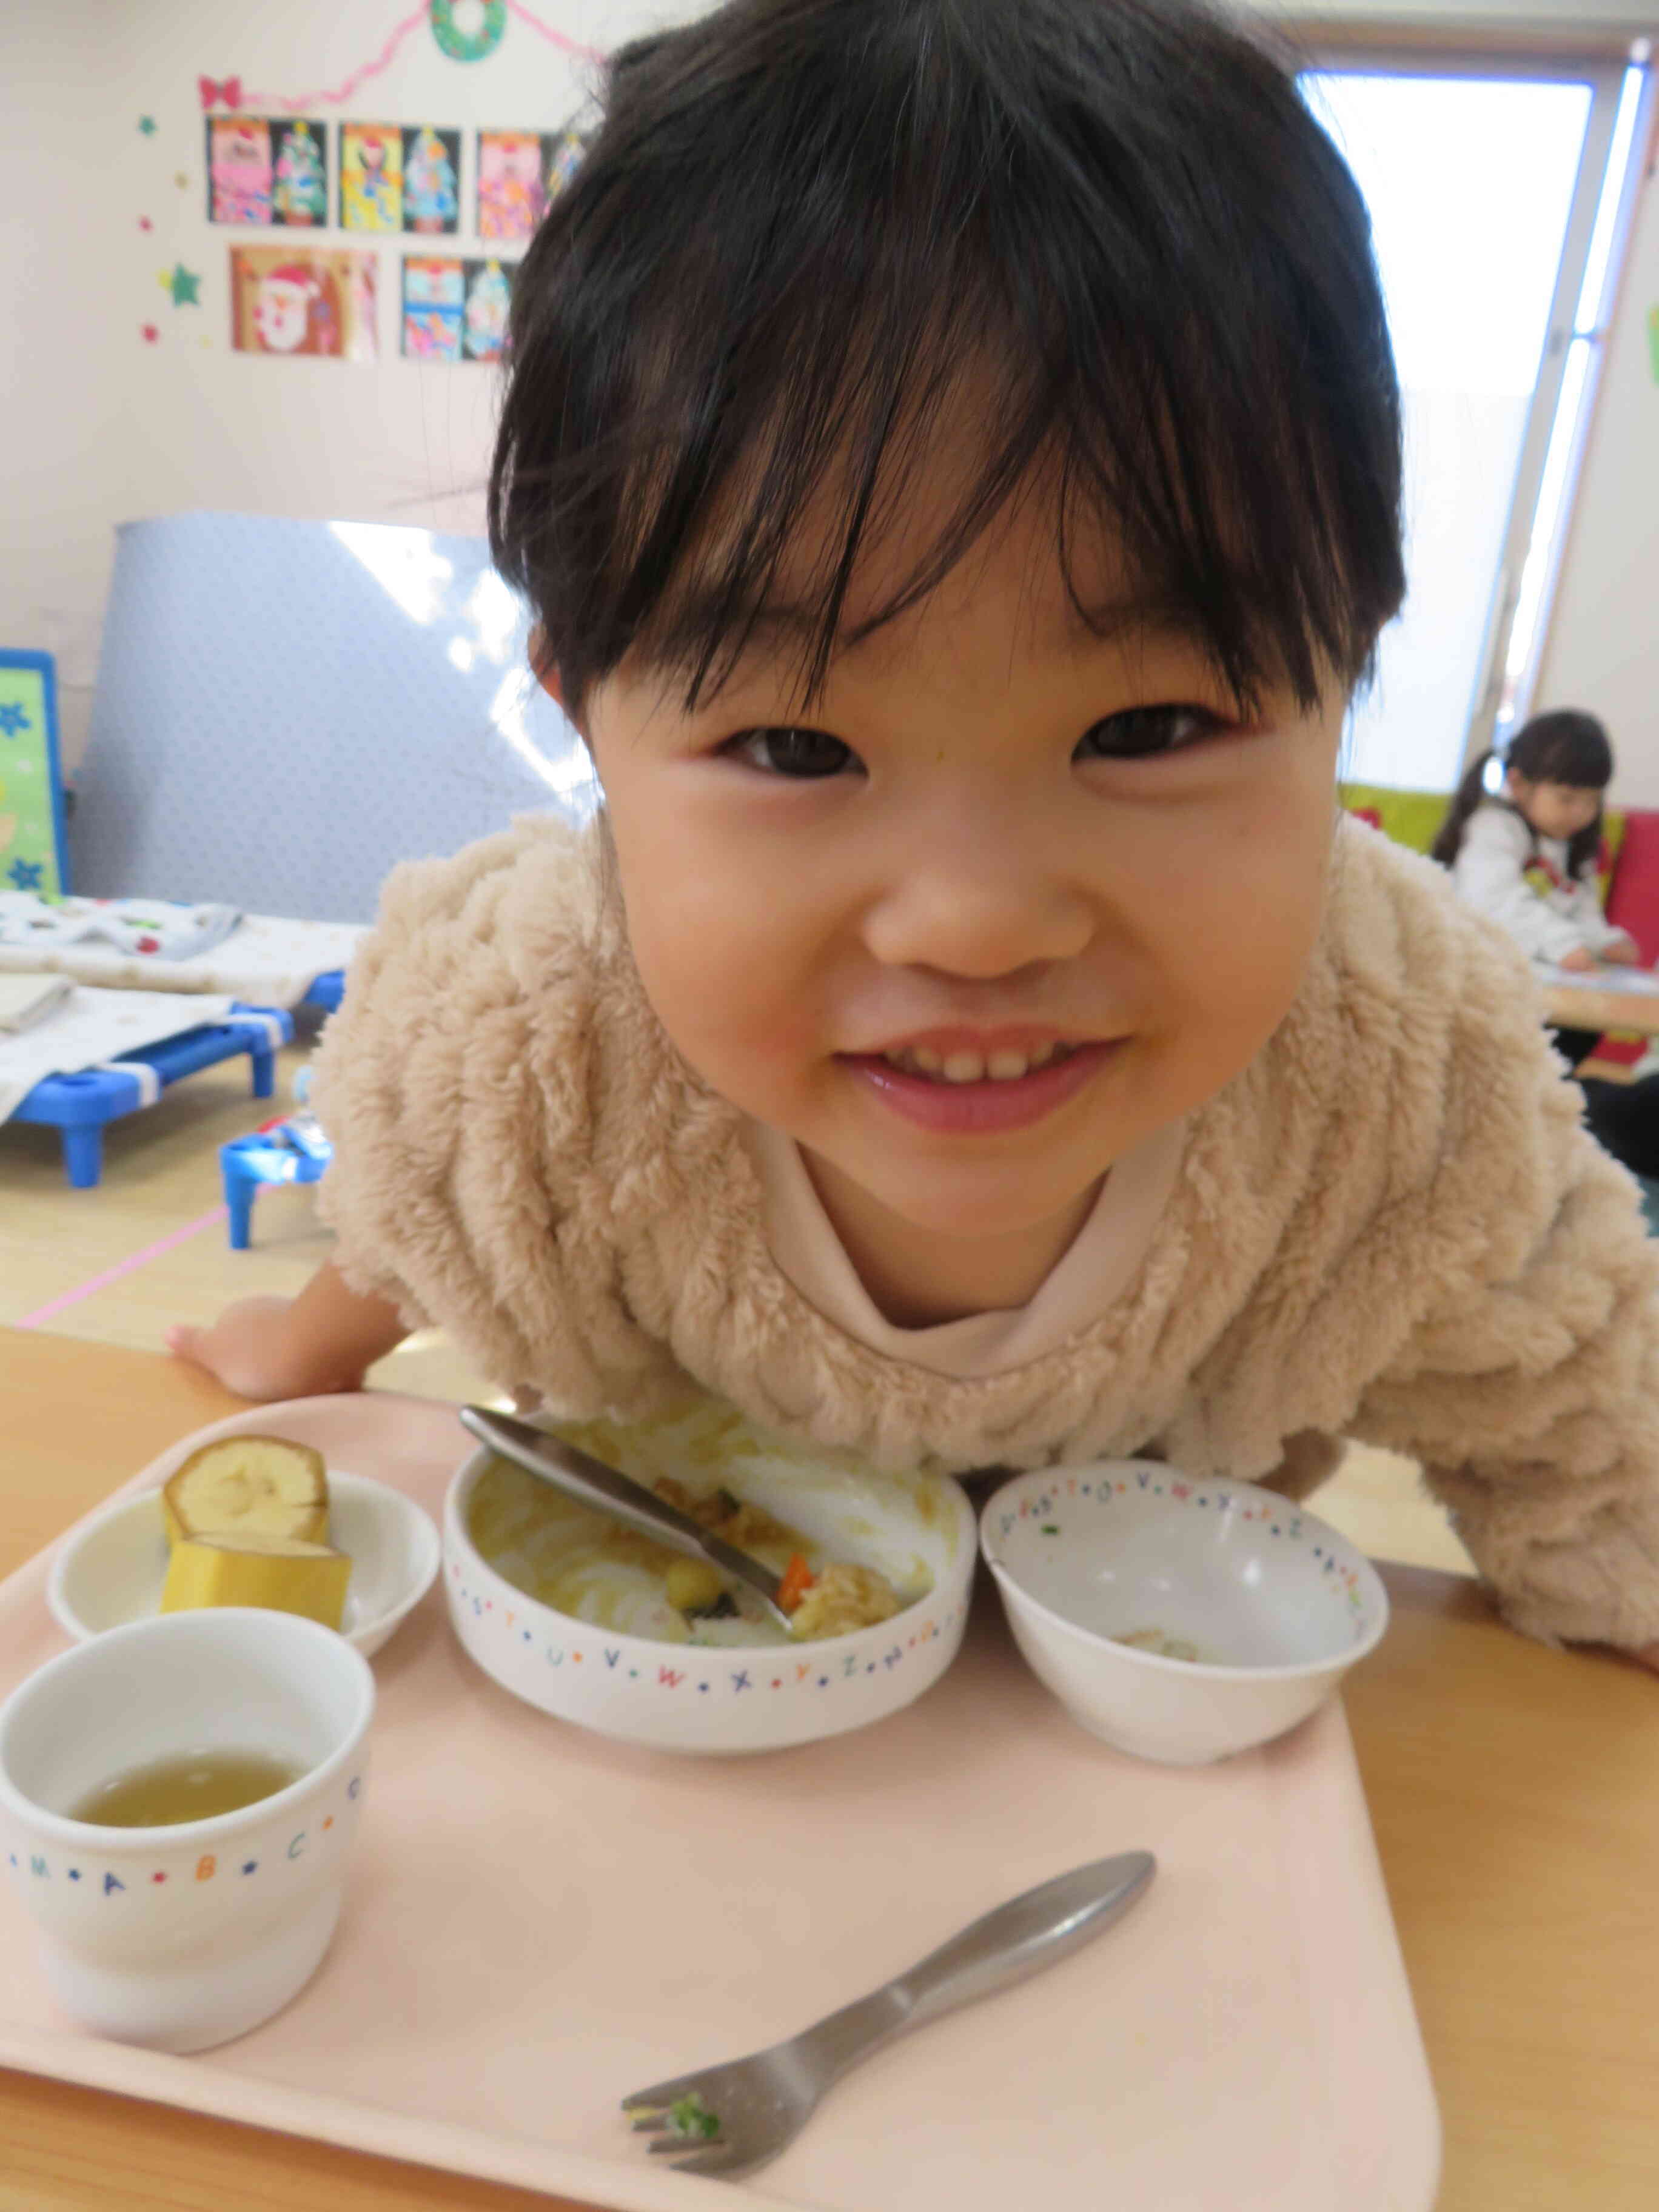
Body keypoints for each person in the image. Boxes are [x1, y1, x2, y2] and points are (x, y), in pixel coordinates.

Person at [170, 0, 1659, 1671]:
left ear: (1352, 679)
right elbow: (421, 1198)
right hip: (693, 1699)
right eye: (798, 744)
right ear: (587, 713)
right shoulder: (530, 1032)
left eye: (1150, 729)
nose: (972, 924)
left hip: (1141, 1754)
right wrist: (296, 1357)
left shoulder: (1403, 1086)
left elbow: (1584, 1413)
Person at [1433, 710, 1659, 1178]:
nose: (1582, 812)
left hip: (1546, 988)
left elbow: (1582, 914)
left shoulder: (1571, 845)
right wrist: (1564, 946)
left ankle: (1540, 1108)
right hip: (1481, 984)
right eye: (1568, 798)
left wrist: (1605, 942)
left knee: (1583, 1030)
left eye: (1592, 800)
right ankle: (1504, 1109)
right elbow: (1495, 900)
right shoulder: (1496, 828)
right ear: (1518, 784)